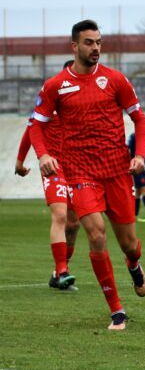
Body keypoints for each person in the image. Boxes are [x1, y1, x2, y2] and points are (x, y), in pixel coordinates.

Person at [28, 19, 145, 331]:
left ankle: (134, 265)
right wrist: (42, 154)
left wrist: (138, 155)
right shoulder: (56, 86)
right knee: (96, 234)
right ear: (74, 46)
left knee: (129, 244)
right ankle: (116, 310)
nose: (95, 48)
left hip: (117, 171)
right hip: (81, 172)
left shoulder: (115, 80)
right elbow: (36, 125)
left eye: (98, 42)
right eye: (88, 42)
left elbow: (138, 118)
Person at [15, 61, 81, 290]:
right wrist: (20, 160)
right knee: (60, 215)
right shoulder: (50, 98)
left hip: (78, 168)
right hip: (53, 167)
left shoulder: (85, 104)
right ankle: (62, 270)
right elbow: (31, 128)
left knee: (74, 223)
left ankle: (59, 272)